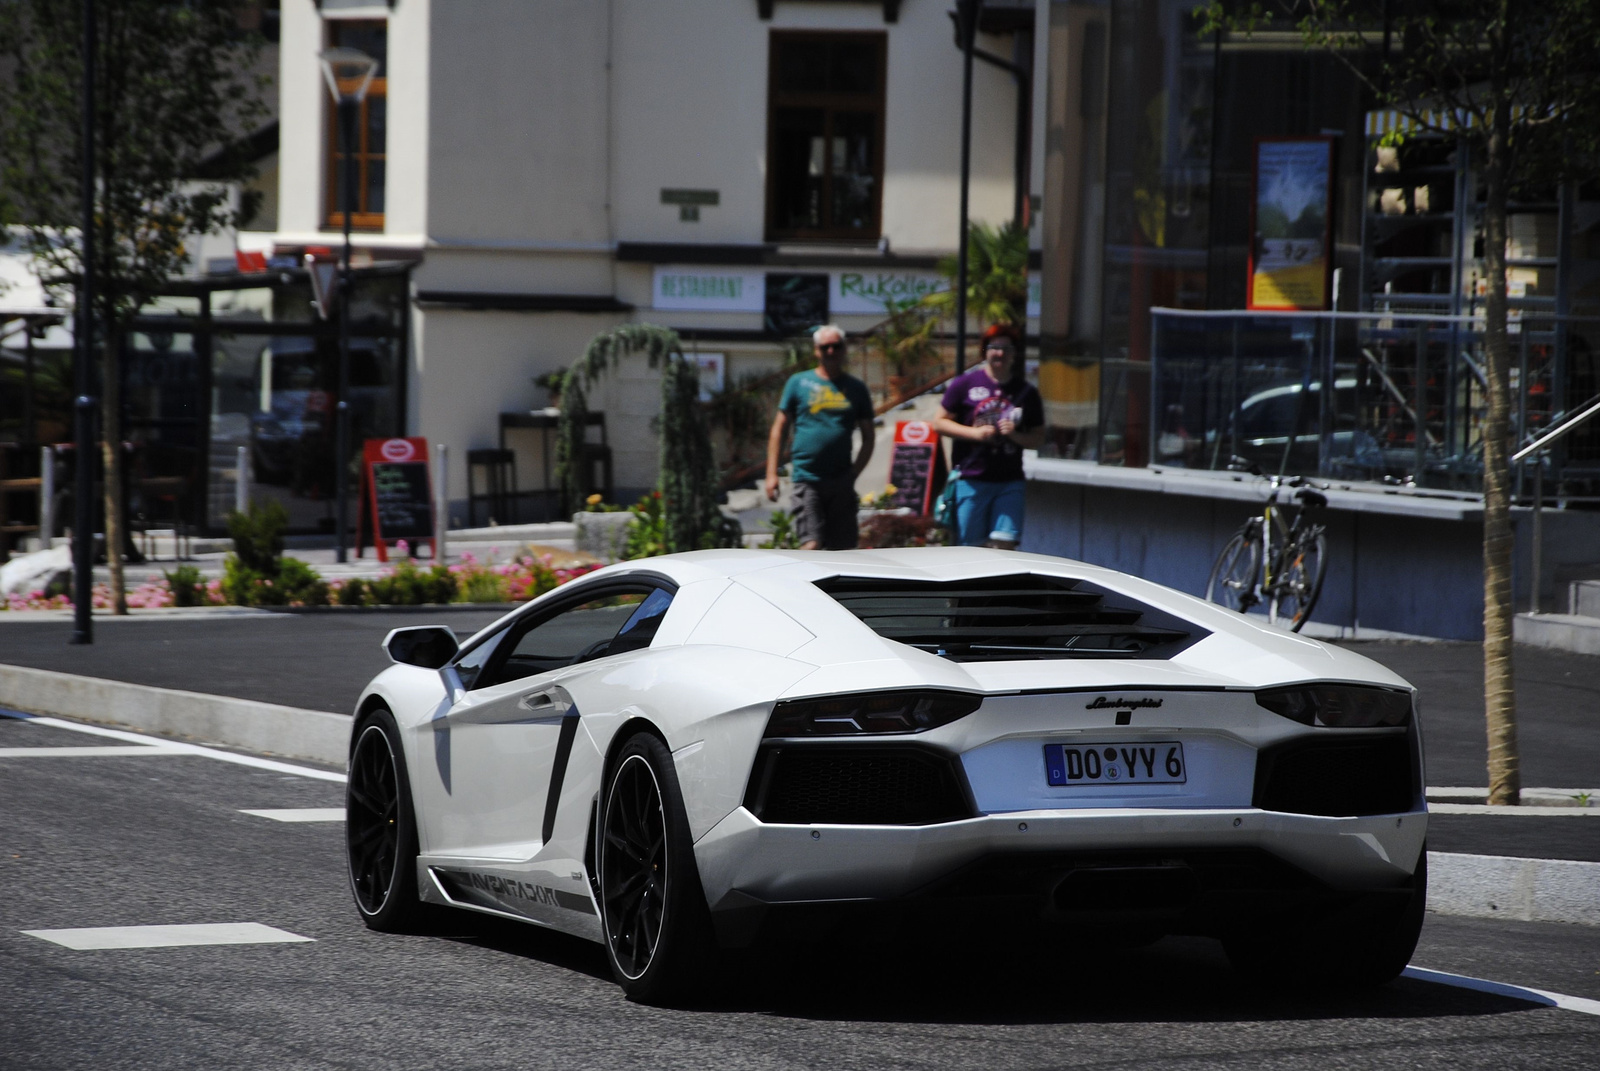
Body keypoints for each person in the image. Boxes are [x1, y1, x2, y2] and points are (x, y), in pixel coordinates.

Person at [932, 324, 1046, 549]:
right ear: (985, 351)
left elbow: (1038, 437)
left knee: (1005, 544)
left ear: (1014, 354)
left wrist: (1014, 435)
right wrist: (975, 434)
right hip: (971, 480)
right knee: (971, 549)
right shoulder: (965, 384)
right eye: (994, 347)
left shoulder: (1026, 392)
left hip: (1009, 481)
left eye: (1006, 348)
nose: (1000, 353)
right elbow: (938, 422)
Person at [765, 325, 876, 550]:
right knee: (811, 544)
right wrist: (771, 474)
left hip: (841, 480)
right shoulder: (798, 383)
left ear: (844, 349)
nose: (831, 352)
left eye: (836, 346)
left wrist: (854, 473)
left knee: (843, 550)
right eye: (826, 347)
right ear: (817, 351)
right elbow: (779, 428)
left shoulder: (856, 388)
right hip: (807, 478)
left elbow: (868, 437)